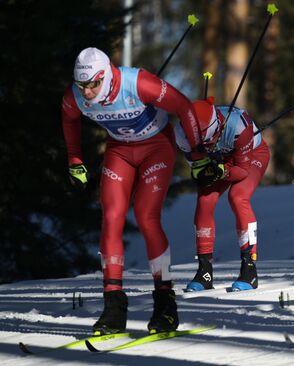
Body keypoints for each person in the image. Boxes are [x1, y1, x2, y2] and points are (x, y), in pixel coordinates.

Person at [62, 47, 206, 335]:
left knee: (145, 215)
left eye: (93, 84)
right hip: (120, 151)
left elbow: (184, 107)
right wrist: (75, 160)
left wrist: (199, 154)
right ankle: (113, 308)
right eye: (82, 85)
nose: (88, 93)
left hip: (156, 147)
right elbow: (69, 119)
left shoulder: (138, 83)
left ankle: (165, 305)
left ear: (107, 76)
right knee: (112, 217)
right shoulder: (75, 95)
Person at [174, 97, 270, 292]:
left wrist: (221, 171)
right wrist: (202, 171)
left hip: (251, 156)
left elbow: (242, 170)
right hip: (220, 161)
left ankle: (249, 270)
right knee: (205, 201)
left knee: (238, 196)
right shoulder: (182, 133)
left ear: (217, 128)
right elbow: (197, 168)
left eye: (208, 141)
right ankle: (204, 272)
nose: (205, 145)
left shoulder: (239, 125)